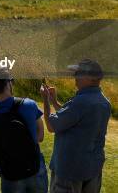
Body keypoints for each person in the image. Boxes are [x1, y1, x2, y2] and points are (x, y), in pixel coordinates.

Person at [40, 59, 111, 193]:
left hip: (70, 172)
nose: (75, 77)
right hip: (92, 169)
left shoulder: (81, 102)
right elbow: (72, 118)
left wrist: (45, 99)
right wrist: (54, 101)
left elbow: (51, 126)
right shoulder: (103, 101)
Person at [0, 68, 47, 193]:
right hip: (34, 168)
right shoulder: (29, 104)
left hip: (10, 173)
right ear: (8, 83)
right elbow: (40, 137)